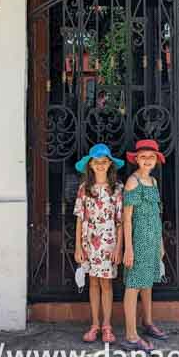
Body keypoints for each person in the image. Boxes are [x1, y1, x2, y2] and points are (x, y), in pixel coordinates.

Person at [73, 143, 124, 343]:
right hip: (89, 244)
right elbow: (79, 219)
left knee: (106, 284)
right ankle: (94, 324)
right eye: (97, 162)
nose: (101, 165)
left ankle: (107, 326)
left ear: (110, 164)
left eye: (104, 162)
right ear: (91, 165)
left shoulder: (117, 189)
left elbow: (120, 222)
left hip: (109, 245)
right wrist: (78, 246)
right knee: (92, 283)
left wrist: (119, 248)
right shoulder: (84, 189)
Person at [122, 139, 168, 351]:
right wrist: (128, 248)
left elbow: (157, 214)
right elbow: (127, 218)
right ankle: (131, 335)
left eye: (151, 157)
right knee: (134, 286)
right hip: (138, 240)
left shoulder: (154, 182)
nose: (147, 160)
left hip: (152, 239)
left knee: (147, 282)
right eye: (143, 157)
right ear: (136, 159)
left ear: (156, 160)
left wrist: (160, 242)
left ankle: (147, 322)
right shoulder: (133, 182)